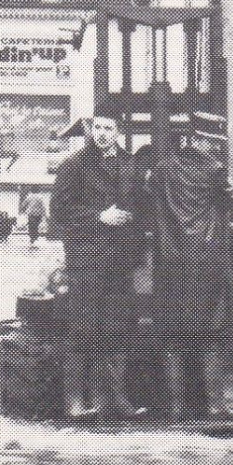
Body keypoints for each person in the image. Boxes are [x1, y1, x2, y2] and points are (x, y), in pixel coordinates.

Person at [144, 115, 233, 419]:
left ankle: (174, 409)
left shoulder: (162, 170)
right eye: (212, 142)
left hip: (171, 264)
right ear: (200, 140)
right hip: (207, 264)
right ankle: (213, 405)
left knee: (173, 335)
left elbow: (148, 198)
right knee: (210, 333)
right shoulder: (215, 171)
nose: (213, 147)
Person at [50, 113, 143, 420]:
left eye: (109, 128)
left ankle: (115, 400)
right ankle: (76, 401)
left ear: (118, 131)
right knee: (82, 327)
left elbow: (140, 205)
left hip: (121, 259)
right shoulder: (74, 165)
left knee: (117, 327)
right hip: (87, 259)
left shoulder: (131, 165)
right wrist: (99, 217)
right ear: (91, 130)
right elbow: (60, 213)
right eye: (98, 128)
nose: (103, 134)